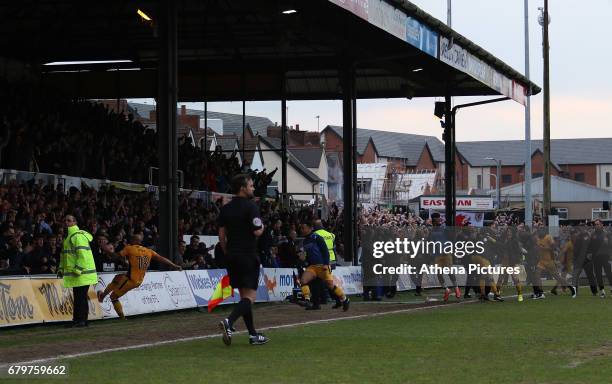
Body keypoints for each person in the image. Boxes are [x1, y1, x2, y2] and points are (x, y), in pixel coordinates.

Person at [218, 174, 269, 346]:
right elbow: (256, 231)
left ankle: (253, 335)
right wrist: (262, 226)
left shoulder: (226, 208)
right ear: (242, 188)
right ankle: (229, 322)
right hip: (247, 254)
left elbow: (222, 235)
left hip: (232, 255)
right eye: (251, 185)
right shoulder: (251, 206)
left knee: (244, 297)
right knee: (251, 298)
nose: (253, 188)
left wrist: (227, 251)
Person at [96, 233, 181, 319]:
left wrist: (106, 250)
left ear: (134, 240)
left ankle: (122, 318)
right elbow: (162, 259)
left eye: (131, 239)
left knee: (113, 297)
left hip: (130, 280)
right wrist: (174, 265)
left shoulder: (129, 249)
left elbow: (115, 257)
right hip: (138, 280)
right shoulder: (149, 251)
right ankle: (102, 296)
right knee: (118, 277)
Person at [298, 220, 350, 311]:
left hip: (323, 265)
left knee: (330, 285)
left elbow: (325, 251)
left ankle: (344, 299)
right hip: (313, 267)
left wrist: (326, 264)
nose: (302, 230)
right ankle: (307, 300)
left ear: (310, 228)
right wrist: (304, 259)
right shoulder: (305, 241)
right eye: (301, 228)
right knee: (303, 280)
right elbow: (308, 254)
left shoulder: (317, 237)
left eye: (303, 228)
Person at [58, 215, 98, 327]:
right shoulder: (70, 236)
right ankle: (81, 320)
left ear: (75, 222)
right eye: (65, 220)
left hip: (81, 274)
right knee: (80, 297)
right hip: (81, 274)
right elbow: (65, 256)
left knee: (80, 297)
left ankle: (80, 320)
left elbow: (83, 255)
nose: (66, 222)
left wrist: (77, 270)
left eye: (69, 220)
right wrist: (61, 269)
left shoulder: (76, 236)